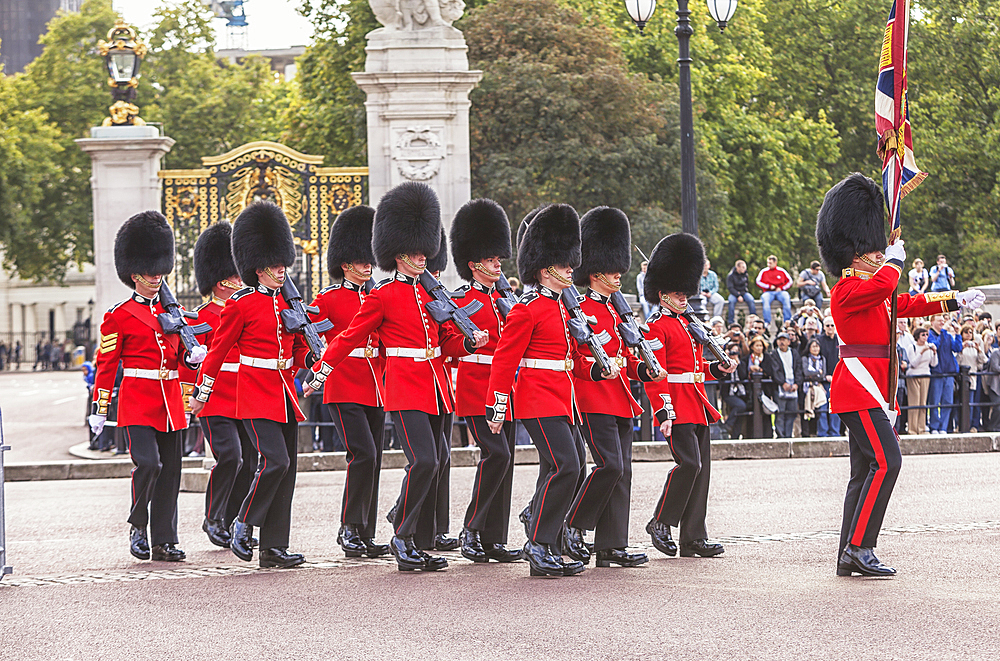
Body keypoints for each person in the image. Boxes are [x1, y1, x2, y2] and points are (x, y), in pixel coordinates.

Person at [305, 182, 487, 572]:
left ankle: (416, 539)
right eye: (414, 252)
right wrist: (322, 370)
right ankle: (402, 536)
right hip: (405, 386)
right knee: (422, 460)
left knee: (437, 461)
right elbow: (350, 335)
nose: (422, 258)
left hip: (437, 385)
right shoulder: (383, 294)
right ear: (398, 254)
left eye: (425, 251)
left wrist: (470, 344)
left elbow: (446, 343)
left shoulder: (432, 295)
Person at [815, 172, 984, 577]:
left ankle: (848, 552)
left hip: (873, 389)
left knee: (862, 474)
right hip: (859, 387)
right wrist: (893, 258)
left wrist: (954, 300)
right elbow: (886, 286)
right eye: (871, 250)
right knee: (888, 462)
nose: (877, 255)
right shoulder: (847, 289)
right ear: (856, 251)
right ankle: (860, 546)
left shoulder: (873, 285)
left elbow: (906, 301)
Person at [193, 201, 313, 569]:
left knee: (288, 469)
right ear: (259, 268)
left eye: (283, 264)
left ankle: (274, 547)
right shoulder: (240, 305)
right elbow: (216, 353)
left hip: (284, 390)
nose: (283, 271)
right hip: (255, 390)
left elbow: (297, 348)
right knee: (274, 461)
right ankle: (244, 521)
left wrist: (313, 360)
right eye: (277, 266)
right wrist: (202, 393)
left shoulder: (288, 304)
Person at [486, 203, 596, 578]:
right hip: (536, 400)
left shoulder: (564, 309)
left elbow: (570, 361)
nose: (571, 268)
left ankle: (544, 536)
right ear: (546, 267)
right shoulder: (527, 308)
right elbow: (504, 360)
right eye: (565, 264)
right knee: (566, 464)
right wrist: (497, 406)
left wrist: (596, 368)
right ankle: (537, 542)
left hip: (562, 399)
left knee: (572, 466)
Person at [89, 211, 204, 562]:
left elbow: (180, 359)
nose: (157, 277)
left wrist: (193, 357)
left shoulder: (174, 313)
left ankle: (165, 539)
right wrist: (100, 407)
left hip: (171, 401)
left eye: (159, 271)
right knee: (149, 465)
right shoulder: (119, 315)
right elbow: (107, 364)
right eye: (150, 273)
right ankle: (138, 525)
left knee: (171, 472)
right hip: (138, 401)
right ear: (134, 275)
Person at [563, 207, 665, 569]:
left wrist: (644, 370)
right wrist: (595, 371)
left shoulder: (618, 312)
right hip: (593, 397)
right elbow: (574, 357)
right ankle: (573, 524)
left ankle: (611, 545)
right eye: (612, 269)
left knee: (623, 470)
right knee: (608, 466)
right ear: (595, 272)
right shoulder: (580, 310)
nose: (619, 274)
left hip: (621, 396)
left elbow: (624, 359)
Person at [641, 233, 738, 560]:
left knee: (701, 471)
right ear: (663, 294)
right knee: (689, 464)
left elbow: (696, 369)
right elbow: (657, 373)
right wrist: (663, 411)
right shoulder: (655, 327)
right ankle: (660, 521)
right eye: (678, 293)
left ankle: (693, 537)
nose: (685, 298)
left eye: (686, 292)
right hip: (678, 405)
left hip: (697, 402)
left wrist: (719, 368)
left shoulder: (688, 324)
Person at [308, 205, 389, 560]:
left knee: (375, 458)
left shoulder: (377, 296)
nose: (367, 265)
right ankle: (348, 528)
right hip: (342, 384)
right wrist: (315, 362)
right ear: (345, 264)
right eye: (361, 261)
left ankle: (365, 532)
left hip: (375, 385)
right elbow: (306, 334)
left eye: (369, 259)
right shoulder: (327, 298)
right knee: (363, 455)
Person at [448, 199, 523, 565]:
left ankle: (494, 538)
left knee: (505, 461)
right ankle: (472, 529)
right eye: (492, 259)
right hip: (477, 386)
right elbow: (448, 343)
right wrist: (465, 342)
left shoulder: (507, 300)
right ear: (474, 263)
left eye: (499, 258)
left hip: (506, 387)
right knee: (497, 454)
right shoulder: (461, 300)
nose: (498, 264)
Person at [184, 221, 257, 551]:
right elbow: (187, 361)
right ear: (220, 279)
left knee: (251, 460)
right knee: (230, 457)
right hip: (214, 397)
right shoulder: (200, 317)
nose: (239, 281)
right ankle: (213, 516)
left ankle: (234, 518)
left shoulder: (247, 309)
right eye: (234, 276)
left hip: (246, 394)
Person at [927, 314, 963, 434]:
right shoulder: (930, 335)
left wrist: (958, 334)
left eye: (943, 320)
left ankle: (943, 426)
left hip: (949, 372)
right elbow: (935, 345)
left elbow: (957, 348)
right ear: (932, 322)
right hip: (937, 372)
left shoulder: (947, 335)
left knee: (948, 401)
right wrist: (942, 333)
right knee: (934, 400)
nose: (942, 323)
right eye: (939, 321)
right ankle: (934, 426)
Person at [770, 332, 802, 438]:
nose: (782, 342)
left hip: (793, 386)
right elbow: (775, 370)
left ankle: (788, 435)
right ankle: (781, 435)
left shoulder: (794, 353)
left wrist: (797, 383)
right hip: (780, 387)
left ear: (789, 341)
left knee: (791, 413)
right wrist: (782, 382)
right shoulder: (774, 354)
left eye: (784, 340)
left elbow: (798, 369)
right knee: (780, 413)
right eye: (780, 340)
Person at [906, 328, 937, 434]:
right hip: (914, 375)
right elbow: (913, 363)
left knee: (923, 403)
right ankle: (912, 429)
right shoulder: (912, 347)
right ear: (917, 336)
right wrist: (922, 352)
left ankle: (921, 428)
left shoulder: (929, 346)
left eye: (926, 335)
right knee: (914, 402)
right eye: (923, 335)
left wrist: (934, 353)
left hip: (925, 375)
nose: (925, 337)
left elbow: (933, 364)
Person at [958, 323, 988, 431]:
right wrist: (961, 349)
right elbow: (957, 361)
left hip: (973, 376)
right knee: (962, 402)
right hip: (962, 376)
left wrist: (979, 349)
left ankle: (972, 425)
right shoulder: (959, 345)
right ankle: (962, 425)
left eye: (970, 332)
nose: (968, 334)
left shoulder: (975, 346)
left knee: (973, 402)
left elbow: (984, 360)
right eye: (966, 332)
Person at [801, 339, 829, 437]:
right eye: (813, 346)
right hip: (807, 386)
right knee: (807, 410)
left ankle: (822, 432)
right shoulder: (805, 359)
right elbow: (806, 372)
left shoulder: (822, 359)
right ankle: (807, 433)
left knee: (822, 408)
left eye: (817, 346)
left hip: (818, 386)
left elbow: (823, 375)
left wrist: (815, 374)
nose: (815, 348)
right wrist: (818, 372)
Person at [755, 255, 793, 327]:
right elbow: (758, 281)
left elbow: (790, 281)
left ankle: (787, 320)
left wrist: (782, 288)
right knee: (765, 301)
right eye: (768, 263)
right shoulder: (764, 271)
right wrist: (768, 286)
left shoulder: (781, 271)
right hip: (768, 292)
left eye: (770, 263)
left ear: (775, 263)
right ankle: (767, 321)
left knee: (786, 299)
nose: (768, 265)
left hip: (780, 291)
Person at [719, 347, 748, 438]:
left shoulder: (742, 363)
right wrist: (727, 361)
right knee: (741, 406)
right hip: (729, 393)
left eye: (736, 352)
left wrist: (738, 364)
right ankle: (727, 425)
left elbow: (744, 376)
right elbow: (723, 377)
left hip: (741, 393)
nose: (733, 354)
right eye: (732, 352)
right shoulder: (724, 363)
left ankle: (735, 436)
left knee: (740, 415)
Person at [725, 260, 756, 325]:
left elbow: (746, 286)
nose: (744, 269)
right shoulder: (731, 276)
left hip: (743, 292)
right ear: (737, 267)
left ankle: (753, 318)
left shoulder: (745, 275)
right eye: (743, 267)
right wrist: (738, 295)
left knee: (751, 299)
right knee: (731, 302)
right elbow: (730, 288)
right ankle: (731, 321)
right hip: (734, 293)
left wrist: (741, 294)